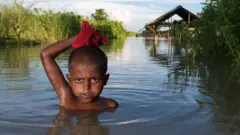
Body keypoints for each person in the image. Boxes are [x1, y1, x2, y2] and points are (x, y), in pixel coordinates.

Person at [40, 21, 118, 111]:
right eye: (79, 80)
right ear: (69, 80)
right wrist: (80, 37)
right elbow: (46, 54)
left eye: (94, 79)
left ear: (105, 79)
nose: (86, 87)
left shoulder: (109, 105)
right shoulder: (67, 99)